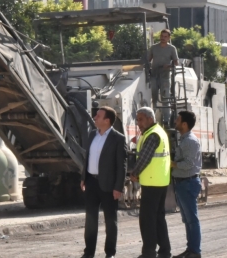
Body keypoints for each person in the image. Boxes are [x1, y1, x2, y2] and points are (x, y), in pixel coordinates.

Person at [80, 106, 127, 258]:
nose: (95, 118)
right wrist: (83, 178)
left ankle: (110, 253)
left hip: (108, 185)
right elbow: (87, 158)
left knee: (110, 220)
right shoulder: (92, 134)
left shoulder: (118, 138)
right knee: (91, 220)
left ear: (107, 121)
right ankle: (89, 252)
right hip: (91, 183)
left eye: (98, 116)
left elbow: (121, 165)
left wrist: (118, 187)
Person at [131, 107, 171, 258]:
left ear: (150, 119)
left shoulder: (153, 135)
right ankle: (164, 251)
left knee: (147, 220)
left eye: (140, 119)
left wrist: (135, 172)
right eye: (137, 120)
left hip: (152, 183)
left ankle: (149, 252)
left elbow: (145, 157)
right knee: (158, 218)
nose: (138, 123)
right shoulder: (159, 131)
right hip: (160, 181)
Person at [172, 111, 202, 258]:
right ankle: (190, 249)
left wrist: (171, 164)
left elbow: (189, 164)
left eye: (178, 119)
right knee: (188, 220)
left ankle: (195, 251)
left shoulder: (190, 141)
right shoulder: (184, 139)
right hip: (183, 183)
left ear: (184, 124)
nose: (175, 121)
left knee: (192, 220)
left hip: (188, 182)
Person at [148, 29, 179, 125]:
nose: (163, 38)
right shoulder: (154, 47)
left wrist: (169, 66)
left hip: (165, 76)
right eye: (162, 36)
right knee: (153, 96)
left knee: (165, 98)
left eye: (165, 37)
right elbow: (148, 59)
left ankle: (166, 121)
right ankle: (152, 118)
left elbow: (176, 62)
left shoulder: (172, 48)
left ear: (169, 38)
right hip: (154, 75)